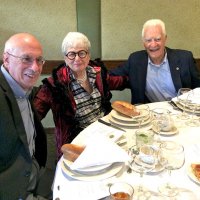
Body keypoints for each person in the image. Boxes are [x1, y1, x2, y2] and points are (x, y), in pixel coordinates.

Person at [33, 32, 128, 160]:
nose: (77, 58)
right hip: (77, 144)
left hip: (104, 134)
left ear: (88, 55)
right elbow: (34, 114)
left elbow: (119, 81)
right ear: (65, 58)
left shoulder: (98, 74)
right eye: (71, 54)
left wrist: (141, 79)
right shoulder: (55, 85)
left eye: (82, 53)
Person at [0, 33, 54, 200]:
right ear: (6, 59)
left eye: (39, 60)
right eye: (26, 59)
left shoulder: (22, 87)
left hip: (34, 170)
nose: (35, 68)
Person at [109, 19, 200, 104]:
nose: (153, 44)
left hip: (180, 114)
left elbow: (198, 89)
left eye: (158, 39)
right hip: (149, 116)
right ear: (143, 42)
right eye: (148, 40)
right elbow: (111, 75)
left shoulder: (185, 58)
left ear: (165, 39)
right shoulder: (135, 60)